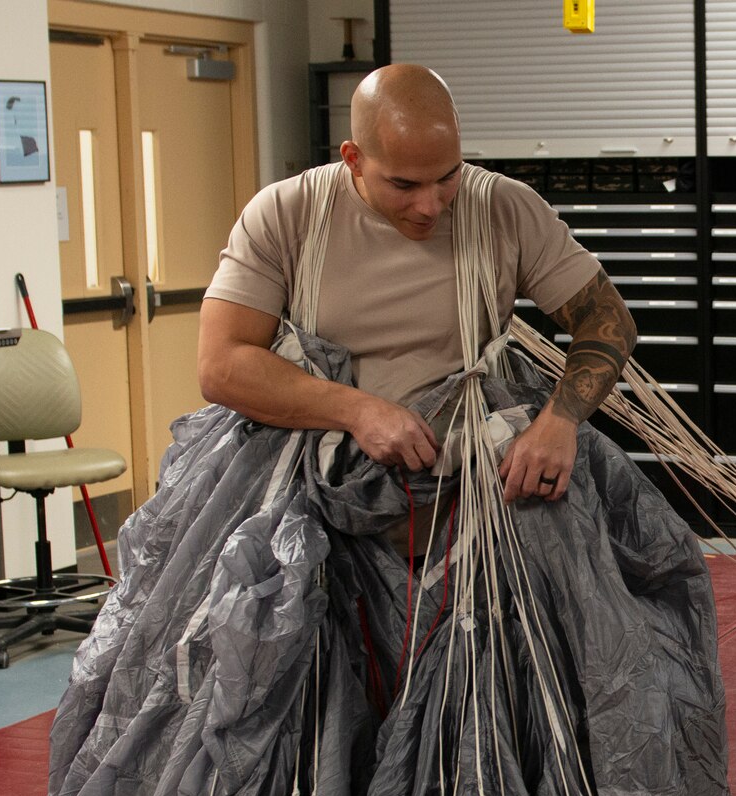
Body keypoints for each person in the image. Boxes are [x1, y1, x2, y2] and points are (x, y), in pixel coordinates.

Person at [198, 63, 636, 505]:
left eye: (447, 176)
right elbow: (222, 365)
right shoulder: (286, 214)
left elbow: (608, 319)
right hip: (317, 493)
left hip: (473, 492)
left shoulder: (504, 209)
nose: (429, 206)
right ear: (354, 159)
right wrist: (357, 411)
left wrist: (559, 422)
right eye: (403, 184)